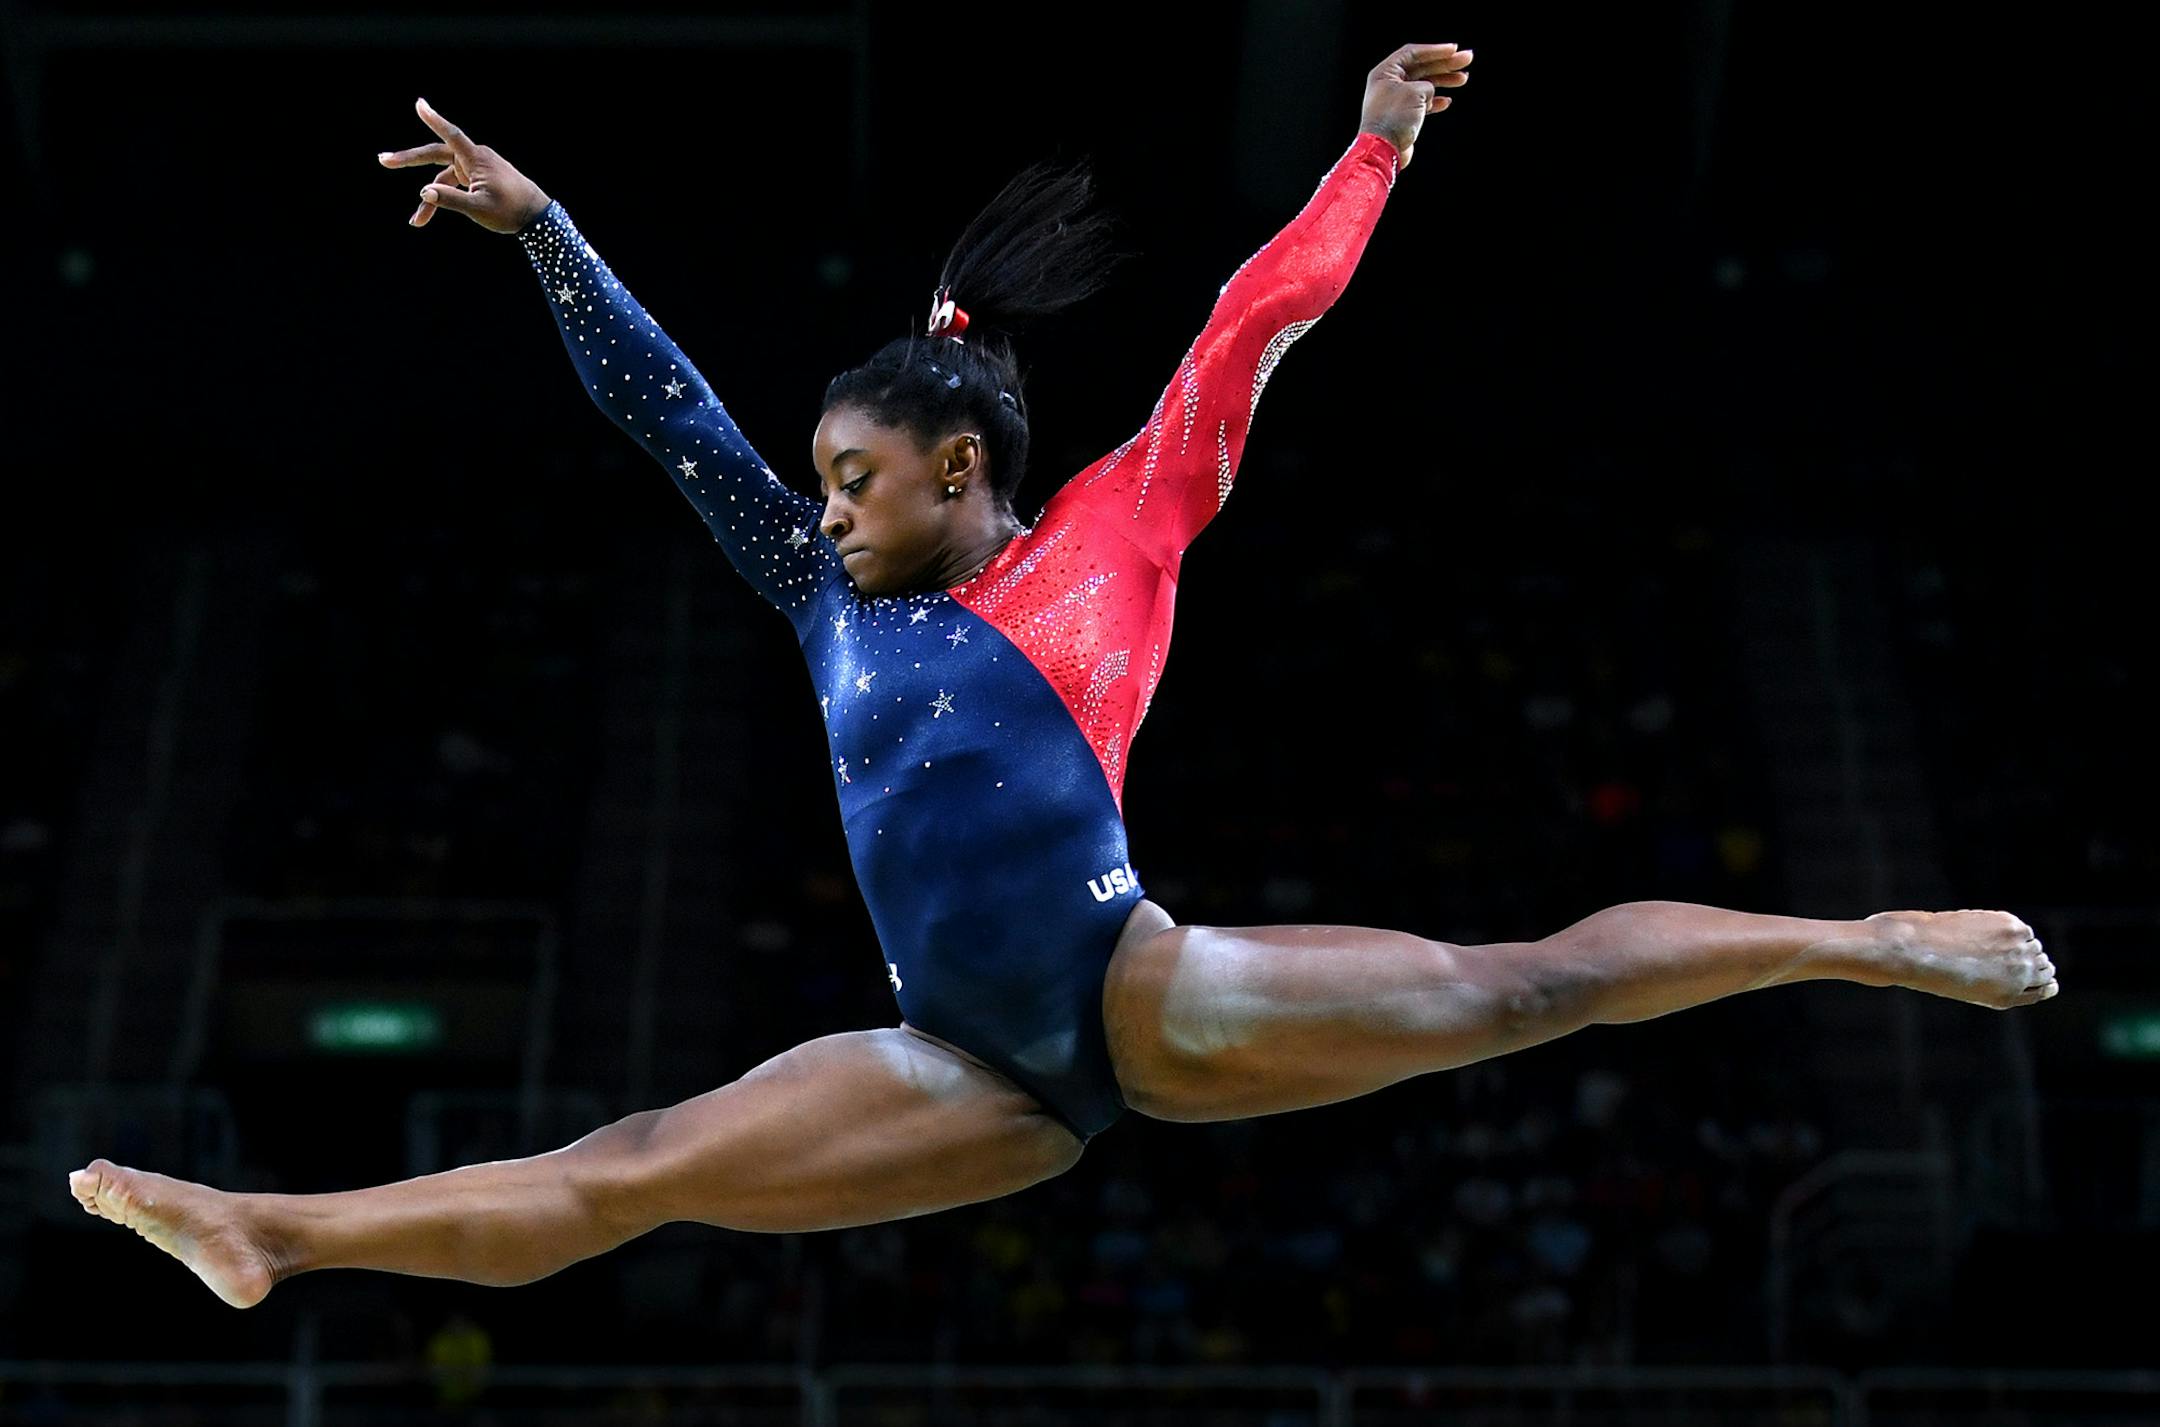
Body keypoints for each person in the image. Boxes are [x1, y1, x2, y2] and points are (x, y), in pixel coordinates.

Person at [70, 42, 2057, 1312]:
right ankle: (281, 1230)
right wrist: (550, 233)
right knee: (632, 1175)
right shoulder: (819, 595)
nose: (821, 513)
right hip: (955, 1066)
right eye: (818, 486)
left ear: (957, 471)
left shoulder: (1114, 534)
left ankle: (1864, 937)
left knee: (1509, 985)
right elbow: (666, 420)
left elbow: (1250, 322)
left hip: (1135, 990)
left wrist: (1369, 147)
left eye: (852, 482)